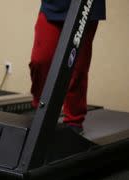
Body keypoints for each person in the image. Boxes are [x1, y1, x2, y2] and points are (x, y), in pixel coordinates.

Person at [29, 0, 106, 133]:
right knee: (40, 60)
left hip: (86, 6)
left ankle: (74, 120)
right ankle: (40, 106)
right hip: (53, 5)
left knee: (77, 67)